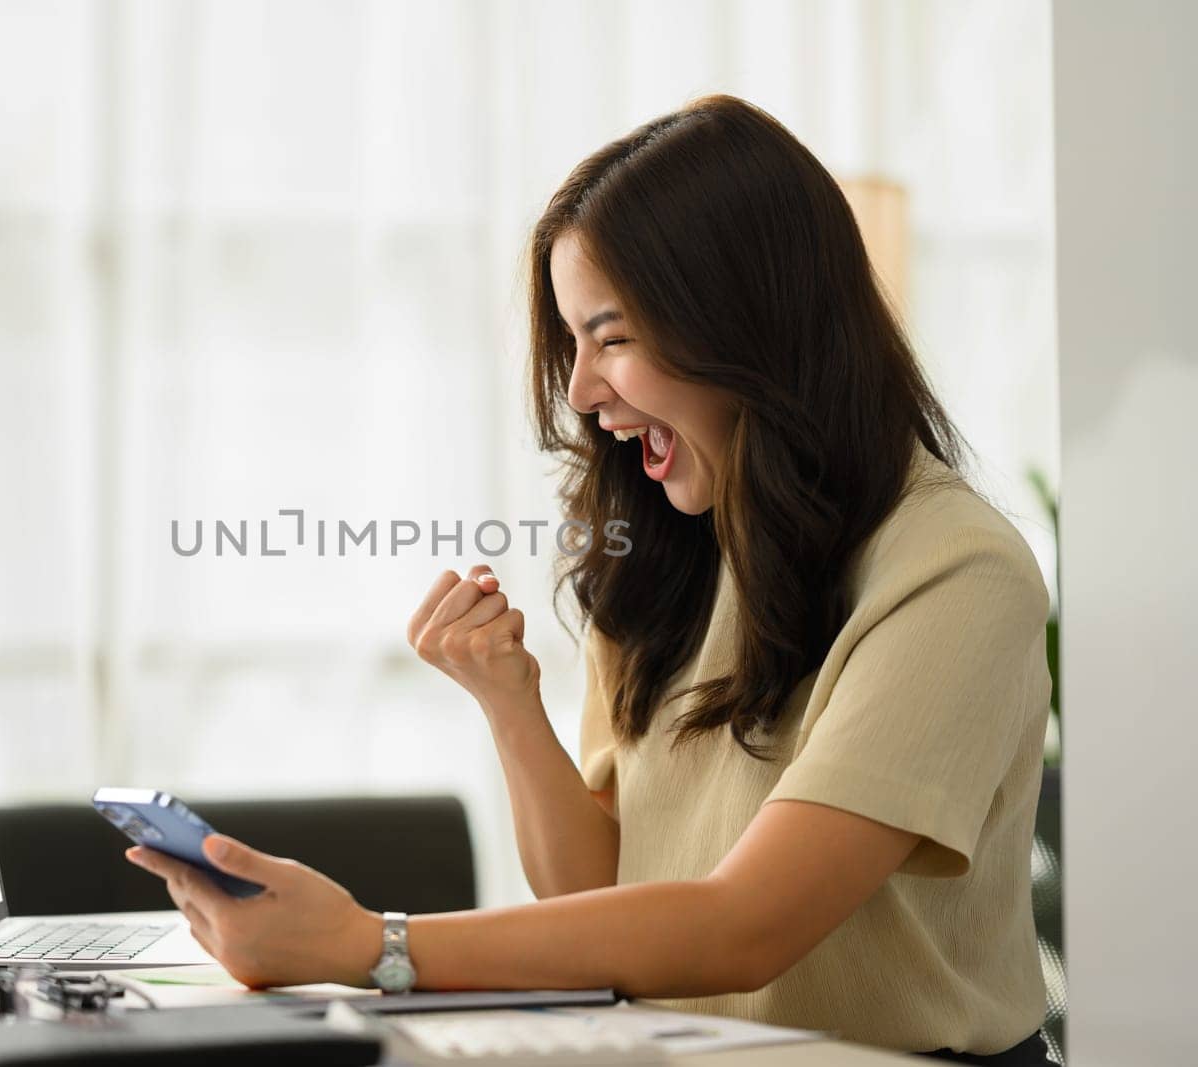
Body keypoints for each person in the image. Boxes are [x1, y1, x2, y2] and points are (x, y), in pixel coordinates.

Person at [125, 95, 1056, 1065]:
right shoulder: (667, 553)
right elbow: (604, 899)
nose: (578, 391)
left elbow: (745, 925)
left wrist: (373, 944)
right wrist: (510, 704)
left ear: (745, 322)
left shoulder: (956, 574)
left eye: (610, 338)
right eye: (574, 341)